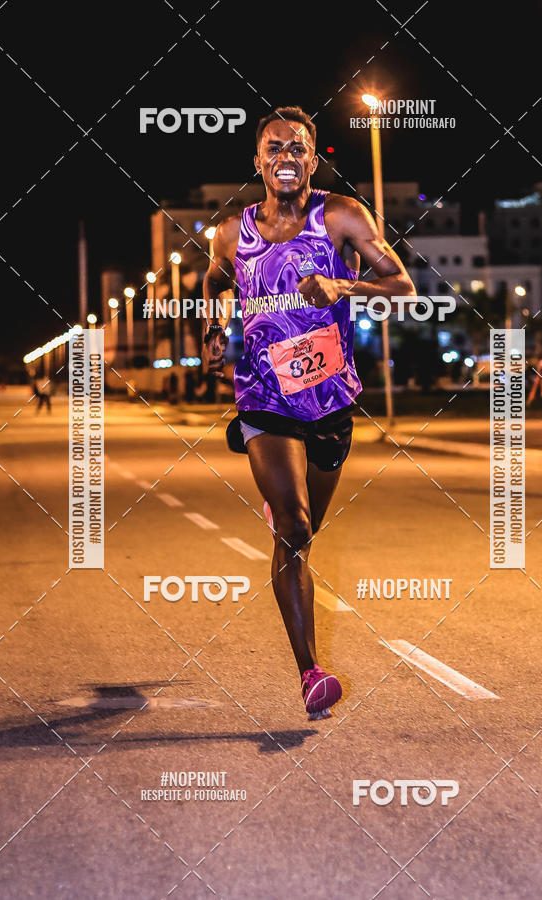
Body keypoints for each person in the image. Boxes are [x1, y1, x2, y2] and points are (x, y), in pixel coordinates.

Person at [202, 106, 416, 719]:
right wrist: (217, 331)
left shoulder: (343, 216)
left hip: (329, 402)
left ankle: (285, 499)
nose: (286, 158)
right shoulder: (230, 232)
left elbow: (403, 288)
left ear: (312, 158)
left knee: (304, 533)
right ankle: (311, 673)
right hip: (262, 397)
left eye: (297, 149)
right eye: (275, 148)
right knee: (292, 531)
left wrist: (343, 286)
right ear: (257, 160)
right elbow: (216, 287)